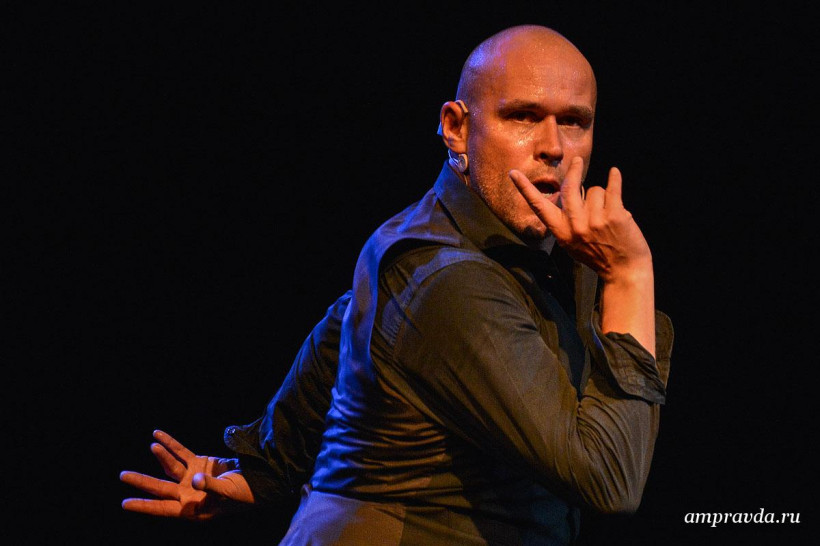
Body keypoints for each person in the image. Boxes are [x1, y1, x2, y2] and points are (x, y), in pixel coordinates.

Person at [121, 24, 673, 545]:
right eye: (522, 116)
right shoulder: (449, 278)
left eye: (574, 122)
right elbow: (609, 480)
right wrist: (629, 276)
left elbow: (345, 334)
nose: (553, 146)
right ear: (457, 127)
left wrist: (262, 472)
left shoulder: (465, 245)